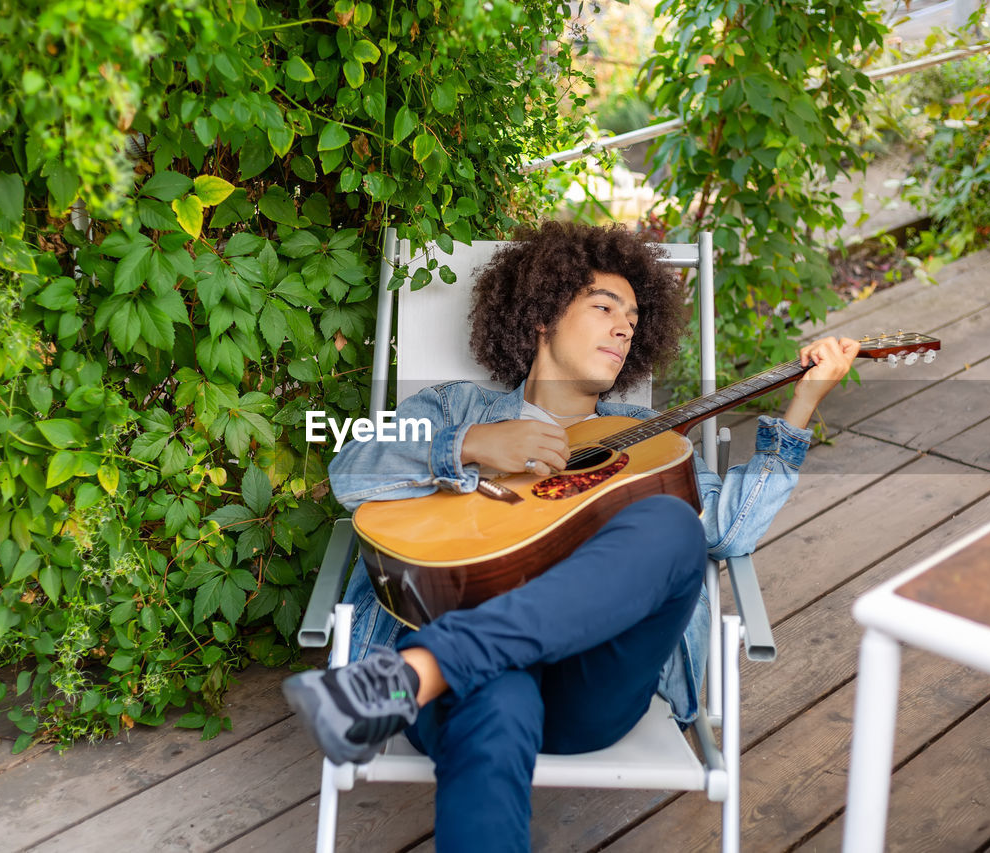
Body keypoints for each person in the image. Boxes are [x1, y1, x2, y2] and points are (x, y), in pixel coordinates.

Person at [283, 222, 859, 851]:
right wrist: (471, 447)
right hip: (481, 685)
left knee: (672, 524)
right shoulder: (454, 409)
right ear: (543, 314)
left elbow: (727, 531)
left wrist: (801, 406)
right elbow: (352, 471)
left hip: (593, 683)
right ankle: (442, 663)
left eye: (633, 319)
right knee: (498, 702)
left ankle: (422, 668)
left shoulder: (650, 441)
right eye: (604, 306)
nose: (623, 326)